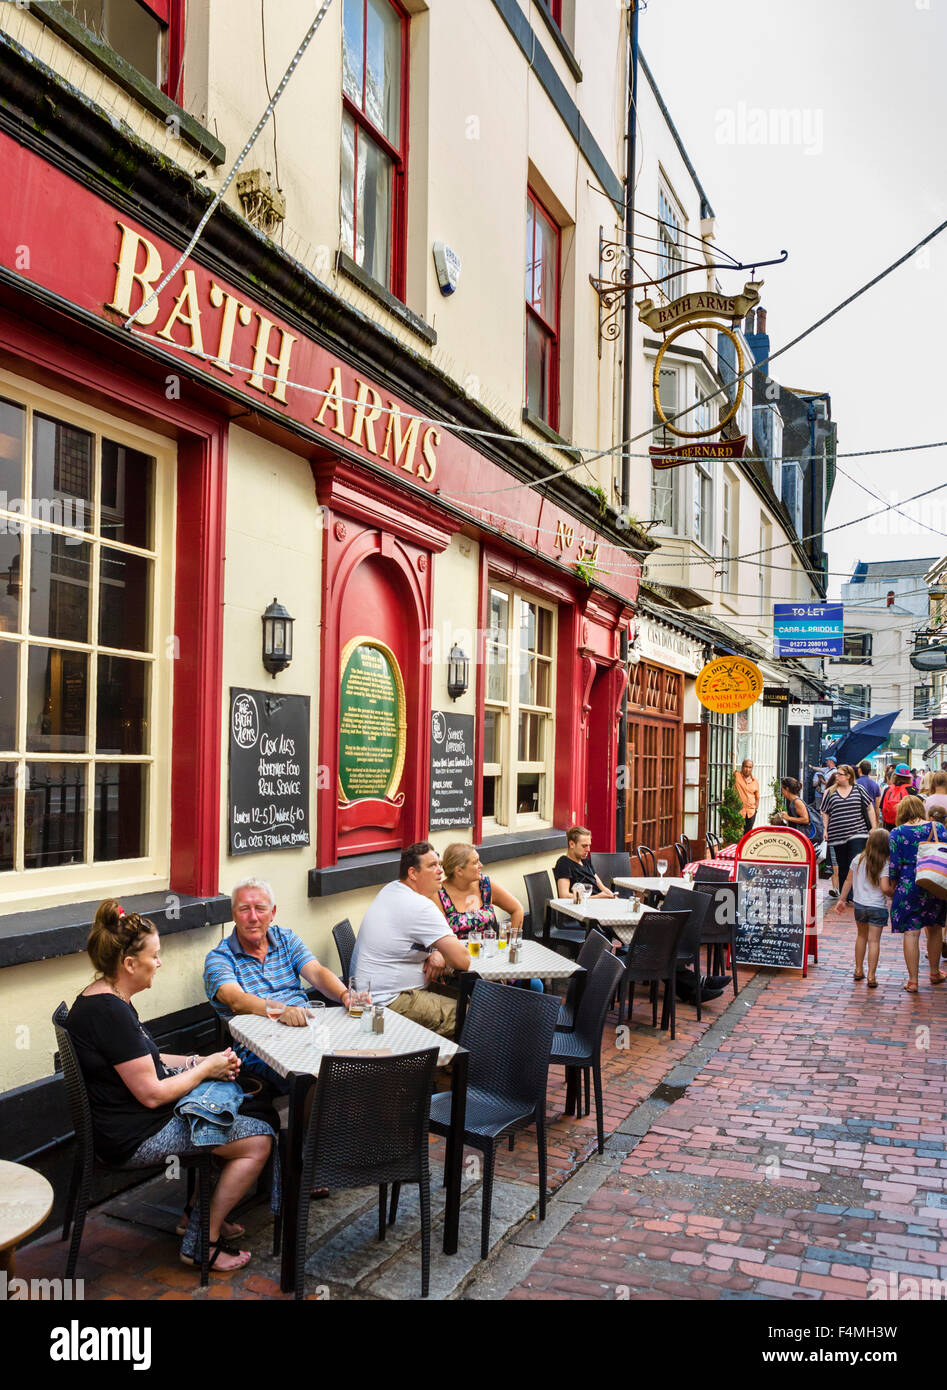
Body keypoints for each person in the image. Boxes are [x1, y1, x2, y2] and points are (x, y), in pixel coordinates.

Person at [67, 901, 276, 1273]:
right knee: (259, 1139)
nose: (159, 963)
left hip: (129, 1122)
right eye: (155, 956)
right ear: (130, 964)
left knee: (246, 1109)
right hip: (134, 1135)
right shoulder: (109, 1012)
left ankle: (198, 1212)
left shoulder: (105, 998)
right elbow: (152, 1093)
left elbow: (147, 1060)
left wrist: (199, 1062)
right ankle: (202, 1241)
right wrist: (206, 1069)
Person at [204, 878, 351, 1094]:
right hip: (261, 1049)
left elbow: (317, 973)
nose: (253, 917)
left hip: (307, 1031)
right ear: (233, 914)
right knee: (318, 1079)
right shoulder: (219, 958)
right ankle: (314, 1128)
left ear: (272, 913)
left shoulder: (286, 939)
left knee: (362, 1064)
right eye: (244, 909)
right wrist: (280, 1011)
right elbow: (235, 1000)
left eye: (260, 909)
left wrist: (345, 995)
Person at [348, 842, 472, 1038]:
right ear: (413, 873)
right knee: (476, 1014)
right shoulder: (419, 906)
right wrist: (439, 952)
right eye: (432, 866)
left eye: (439, 864)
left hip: (373, 994)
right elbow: (462, 960)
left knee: (471, 999)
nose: (440, 870)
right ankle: (455, 1067)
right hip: (388, 1002)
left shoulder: (392, 889)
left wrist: (437, 951)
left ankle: (448, 1065)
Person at [885, 796, 947, 993]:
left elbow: (894, 865)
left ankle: (913, 980)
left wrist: (893, 887)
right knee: (935, 928)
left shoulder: (897, 832)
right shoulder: (938, 828)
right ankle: (934, 972)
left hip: (909, 882)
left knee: (911, 932)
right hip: (934, 878)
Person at [833, 827, 891, 988]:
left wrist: (842, 899)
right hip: (877, 907)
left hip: (860, 905)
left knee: (861, 937)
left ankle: (858, 970)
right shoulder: (885, 863)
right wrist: (894, 894)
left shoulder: (858, 859)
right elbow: (885, 888)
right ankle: (871, 976)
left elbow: (848, 881)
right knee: (874, 941)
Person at [437, 843, 524, 939]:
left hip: (489, 951)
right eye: (475, 862)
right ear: (459, 871)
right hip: (456, 953)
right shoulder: (439, 894)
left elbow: (517, 910)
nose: (481, 865)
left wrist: (509, 943)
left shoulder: (485, 885)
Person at [821, 763, 876, 901]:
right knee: (843, 864)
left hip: (858, 831)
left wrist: (874, 827)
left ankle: (857, 894)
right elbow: (825, 811)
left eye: (839, 774)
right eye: (836, 774)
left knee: (855, 861)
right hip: (837, 834)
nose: (836, 776)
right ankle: (847, 895)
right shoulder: (831, 791)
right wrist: (825, 829)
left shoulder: (859, 789)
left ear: (848, 776)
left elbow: (869, 807)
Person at [554, 826, 616, 899]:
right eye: (584, 846)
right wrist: (596, 897)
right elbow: (564, 895)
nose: (588, 849)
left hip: (601, 902)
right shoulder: (564, 863)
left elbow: (602, 887)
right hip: (584, 906)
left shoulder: (585, 860)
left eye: (589, 845)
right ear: (572, 844)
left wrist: (614, 897)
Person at [880, 764, 914, 829]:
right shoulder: (912, 790)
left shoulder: (887, 789)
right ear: (909, 777)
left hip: (888, 826)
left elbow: (882, 808)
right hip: (906, 826)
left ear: (894, 776)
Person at [734, 759, 760, 835]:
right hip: (739, 811)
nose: (747, 769)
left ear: (752, 768)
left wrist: (755, 809)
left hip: (751, 812)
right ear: (742, 767)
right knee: (737, 834)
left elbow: (757, 797)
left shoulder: (755, 781)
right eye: (746, 767)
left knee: (748, 834)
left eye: (750, 767)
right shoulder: (736, 776)